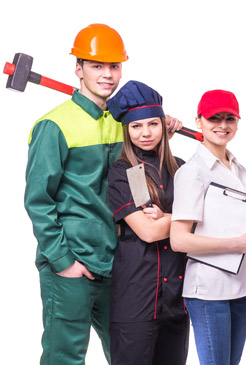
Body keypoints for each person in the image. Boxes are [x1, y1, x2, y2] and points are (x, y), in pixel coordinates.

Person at [23, 23, 128, 364]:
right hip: (71, 264)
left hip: (119, 264)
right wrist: (63, 260)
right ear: (78, 69)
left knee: (130, 354)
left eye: (114, 66)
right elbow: (38, 200)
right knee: (64, 357)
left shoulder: (124, 124)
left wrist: (158, 121)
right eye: (97, 66)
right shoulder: (53, 125)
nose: (107, 75)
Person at [169, 89, 246, 365]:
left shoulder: (240, 170)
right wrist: (236, 244)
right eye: (214, 118)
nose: (222, 126)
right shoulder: (192, 173)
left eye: (229, 118)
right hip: (208, 292)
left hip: (240, 290)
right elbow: (179, 240)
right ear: (199, 120)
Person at [104, 80, 189, 365]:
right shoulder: (126, 170)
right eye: (136, 126)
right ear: (126, 130)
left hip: (177, 299)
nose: (145, 133)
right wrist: (183, 219)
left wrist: (167, 218)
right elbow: (149, 231)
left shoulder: (182, 168)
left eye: (153, 124)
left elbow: (208, 222)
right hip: (137, 299)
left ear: (163, 126)